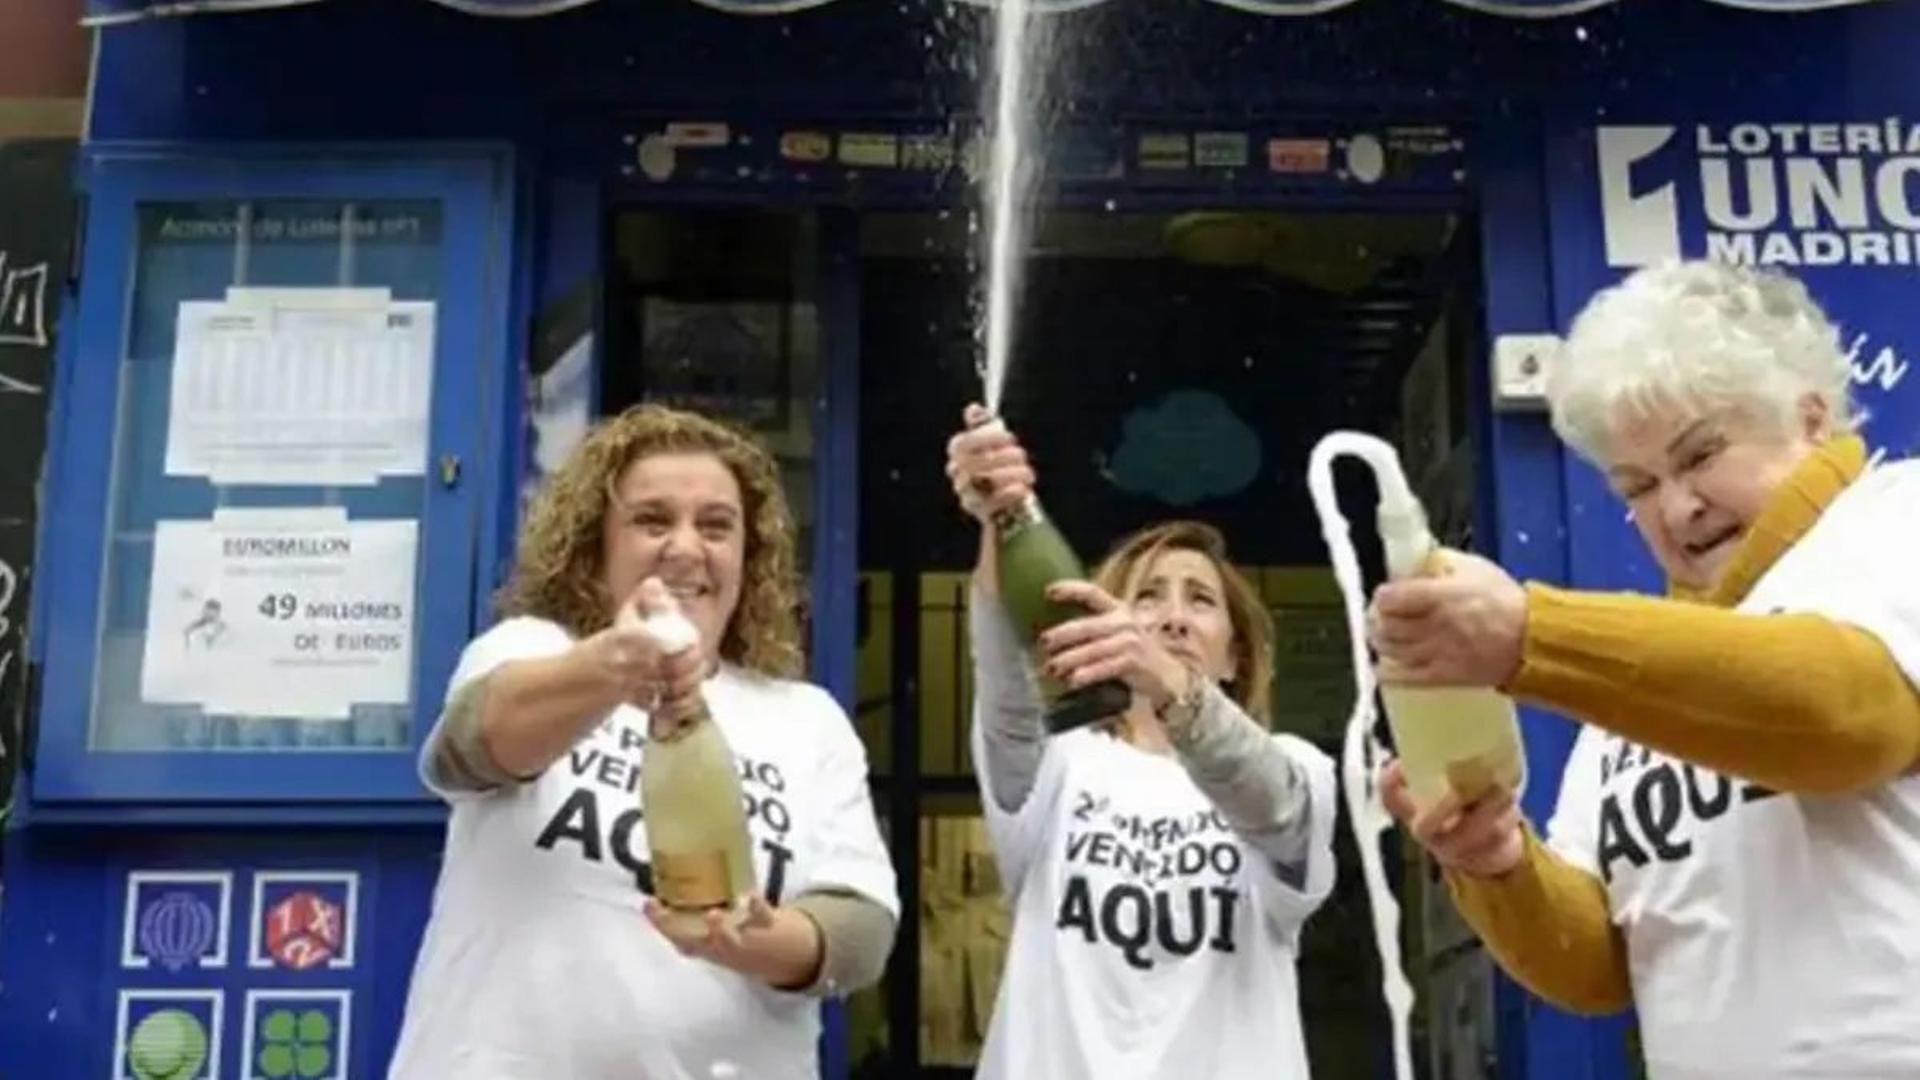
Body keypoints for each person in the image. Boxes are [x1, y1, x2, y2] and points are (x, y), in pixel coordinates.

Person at [1369, 260, 1920, 1079]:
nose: (1675, 507)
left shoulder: (1895, 516)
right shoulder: (1643, 675)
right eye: (1637, 486)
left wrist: (1530, 635)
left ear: (1810, 419)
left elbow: (1851, 717)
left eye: (1700, 456)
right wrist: (1497, 864)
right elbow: (1599, 966)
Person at [388, 404, 899, 1080]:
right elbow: (468, 747)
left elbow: (860, 931)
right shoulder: (534, 651)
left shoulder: (805, 719)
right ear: (596, 547)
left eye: (716, 526)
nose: (686, 548)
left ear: (751, 557)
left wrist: (753, 940)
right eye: (653, 520)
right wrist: (609, 667)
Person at [946, 405, 1338, 1079]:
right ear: (1099, 627)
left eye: (1202, 601)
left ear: (1234, 658)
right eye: (1148, 597)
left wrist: (1171, 689)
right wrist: (1000, 516)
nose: (1176, 618)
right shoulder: (1059, 768)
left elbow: (1272, 803)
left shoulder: (1298, 768)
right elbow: (1006, 692)